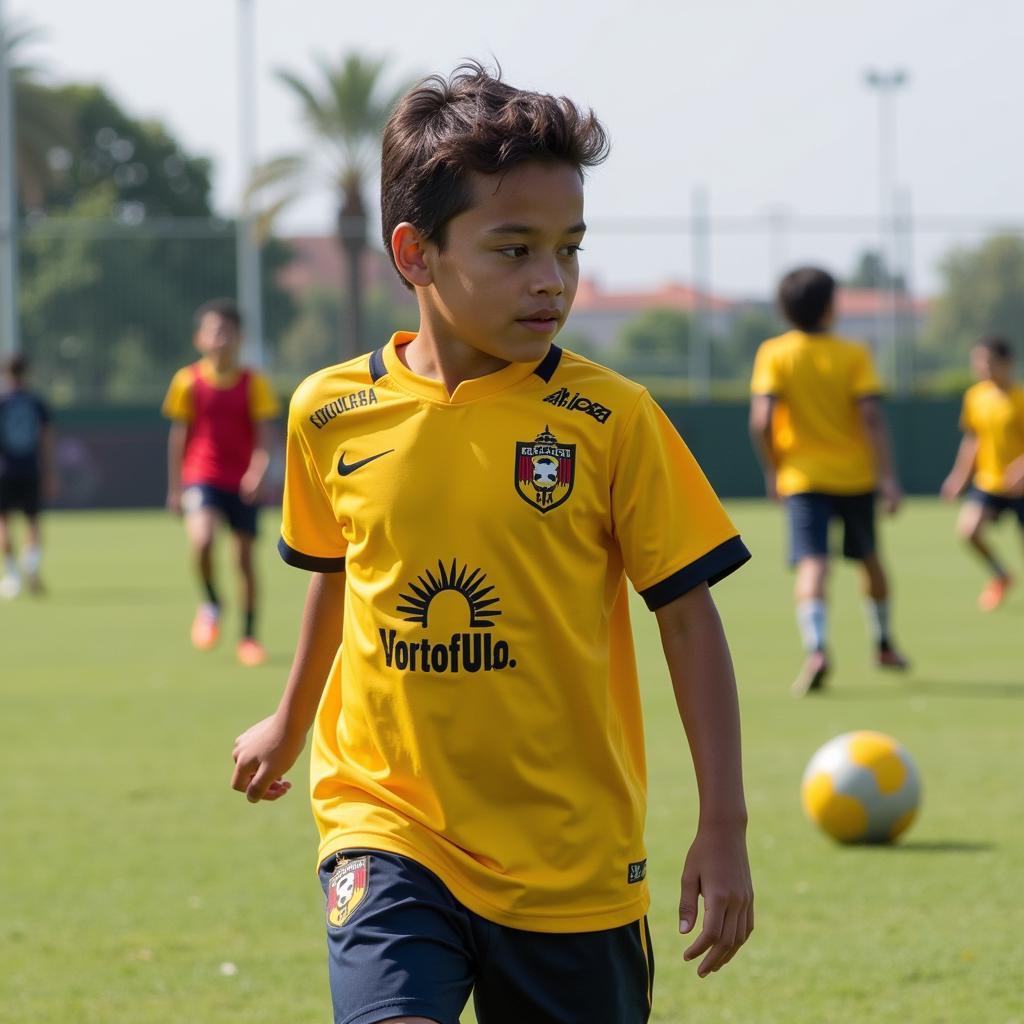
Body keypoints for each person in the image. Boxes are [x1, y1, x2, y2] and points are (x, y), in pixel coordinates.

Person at [231, 63, 754, 1024]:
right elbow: (340, 579)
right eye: (514, 250)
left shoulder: (612, 418)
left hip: (568, 857)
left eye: (568, 248)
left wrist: (723, 822)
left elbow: (686, 617)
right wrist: (290, 719)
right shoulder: (329, 412)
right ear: (415, 253)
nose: (550, 280)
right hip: (386, 822)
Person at [749, 266, 910, 696]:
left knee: (813, 562)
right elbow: (871, 417)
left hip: (803, 477)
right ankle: (883, 643)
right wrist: (889, 478)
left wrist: (774, 469)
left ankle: (817, 648)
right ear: (828, 306)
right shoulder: (854, 354)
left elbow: (761, 420)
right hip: (855, 477)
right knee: (870, 558)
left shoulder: (775, 353)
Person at [162, 298, 280, 667]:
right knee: (202, 540)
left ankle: (248, 636)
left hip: (241, 482)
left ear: (240, 338)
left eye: (228, 331)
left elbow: (265, 436)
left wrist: (257, 472)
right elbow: (179, 437)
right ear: (200, 338)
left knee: (244, 561)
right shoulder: (187, 381)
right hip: (202, 476)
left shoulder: (253, 382)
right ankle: (212, 602)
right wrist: (176, 487)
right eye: (214, 331)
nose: (221, 338)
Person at [940, 336, 1024, 610]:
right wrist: (959, 477)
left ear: (1007, 363)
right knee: (968, 531)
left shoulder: (1020, 399)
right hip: (989, 482)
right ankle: (1001, 575)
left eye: (988, 361)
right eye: (977, 362)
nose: (982, 367)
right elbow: (973, 440)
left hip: (1021, 486)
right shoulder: (975, 397)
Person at [0, 353, 55, 599]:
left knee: (4, 522)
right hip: (30, 468)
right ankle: (31, 568)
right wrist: (49, 470)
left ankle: (12, 575)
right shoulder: (35, 402)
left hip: (4, 469)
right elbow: (46, 439)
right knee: (32, 521)